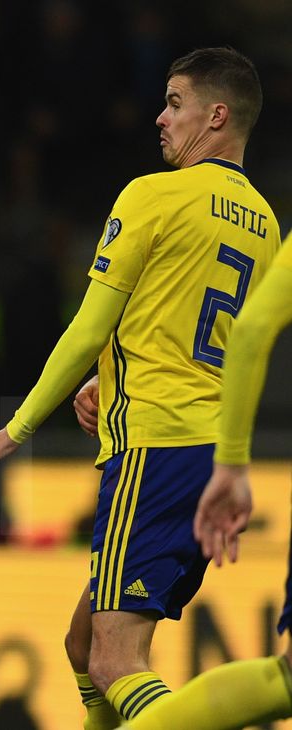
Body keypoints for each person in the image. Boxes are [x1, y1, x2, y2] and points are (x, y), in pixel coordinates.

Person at [0, 47, 280, 729]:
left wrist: (15, 430)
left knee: (115, 661)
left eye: (175, 102)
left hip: (156, 447)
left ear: (216, 115)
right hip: (211, 454)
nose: (160, 117)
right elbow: (200, 330)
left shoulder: (152, 194)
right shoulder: (269, 224)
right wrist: (113, 371)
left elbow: (86, 328)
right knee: (81, 641)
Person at [112, 229, 292, 729]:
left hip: (161, 440)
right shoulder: (258, 215)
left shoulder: (154, 196)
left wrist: (233, 463)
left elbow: (253, 328)